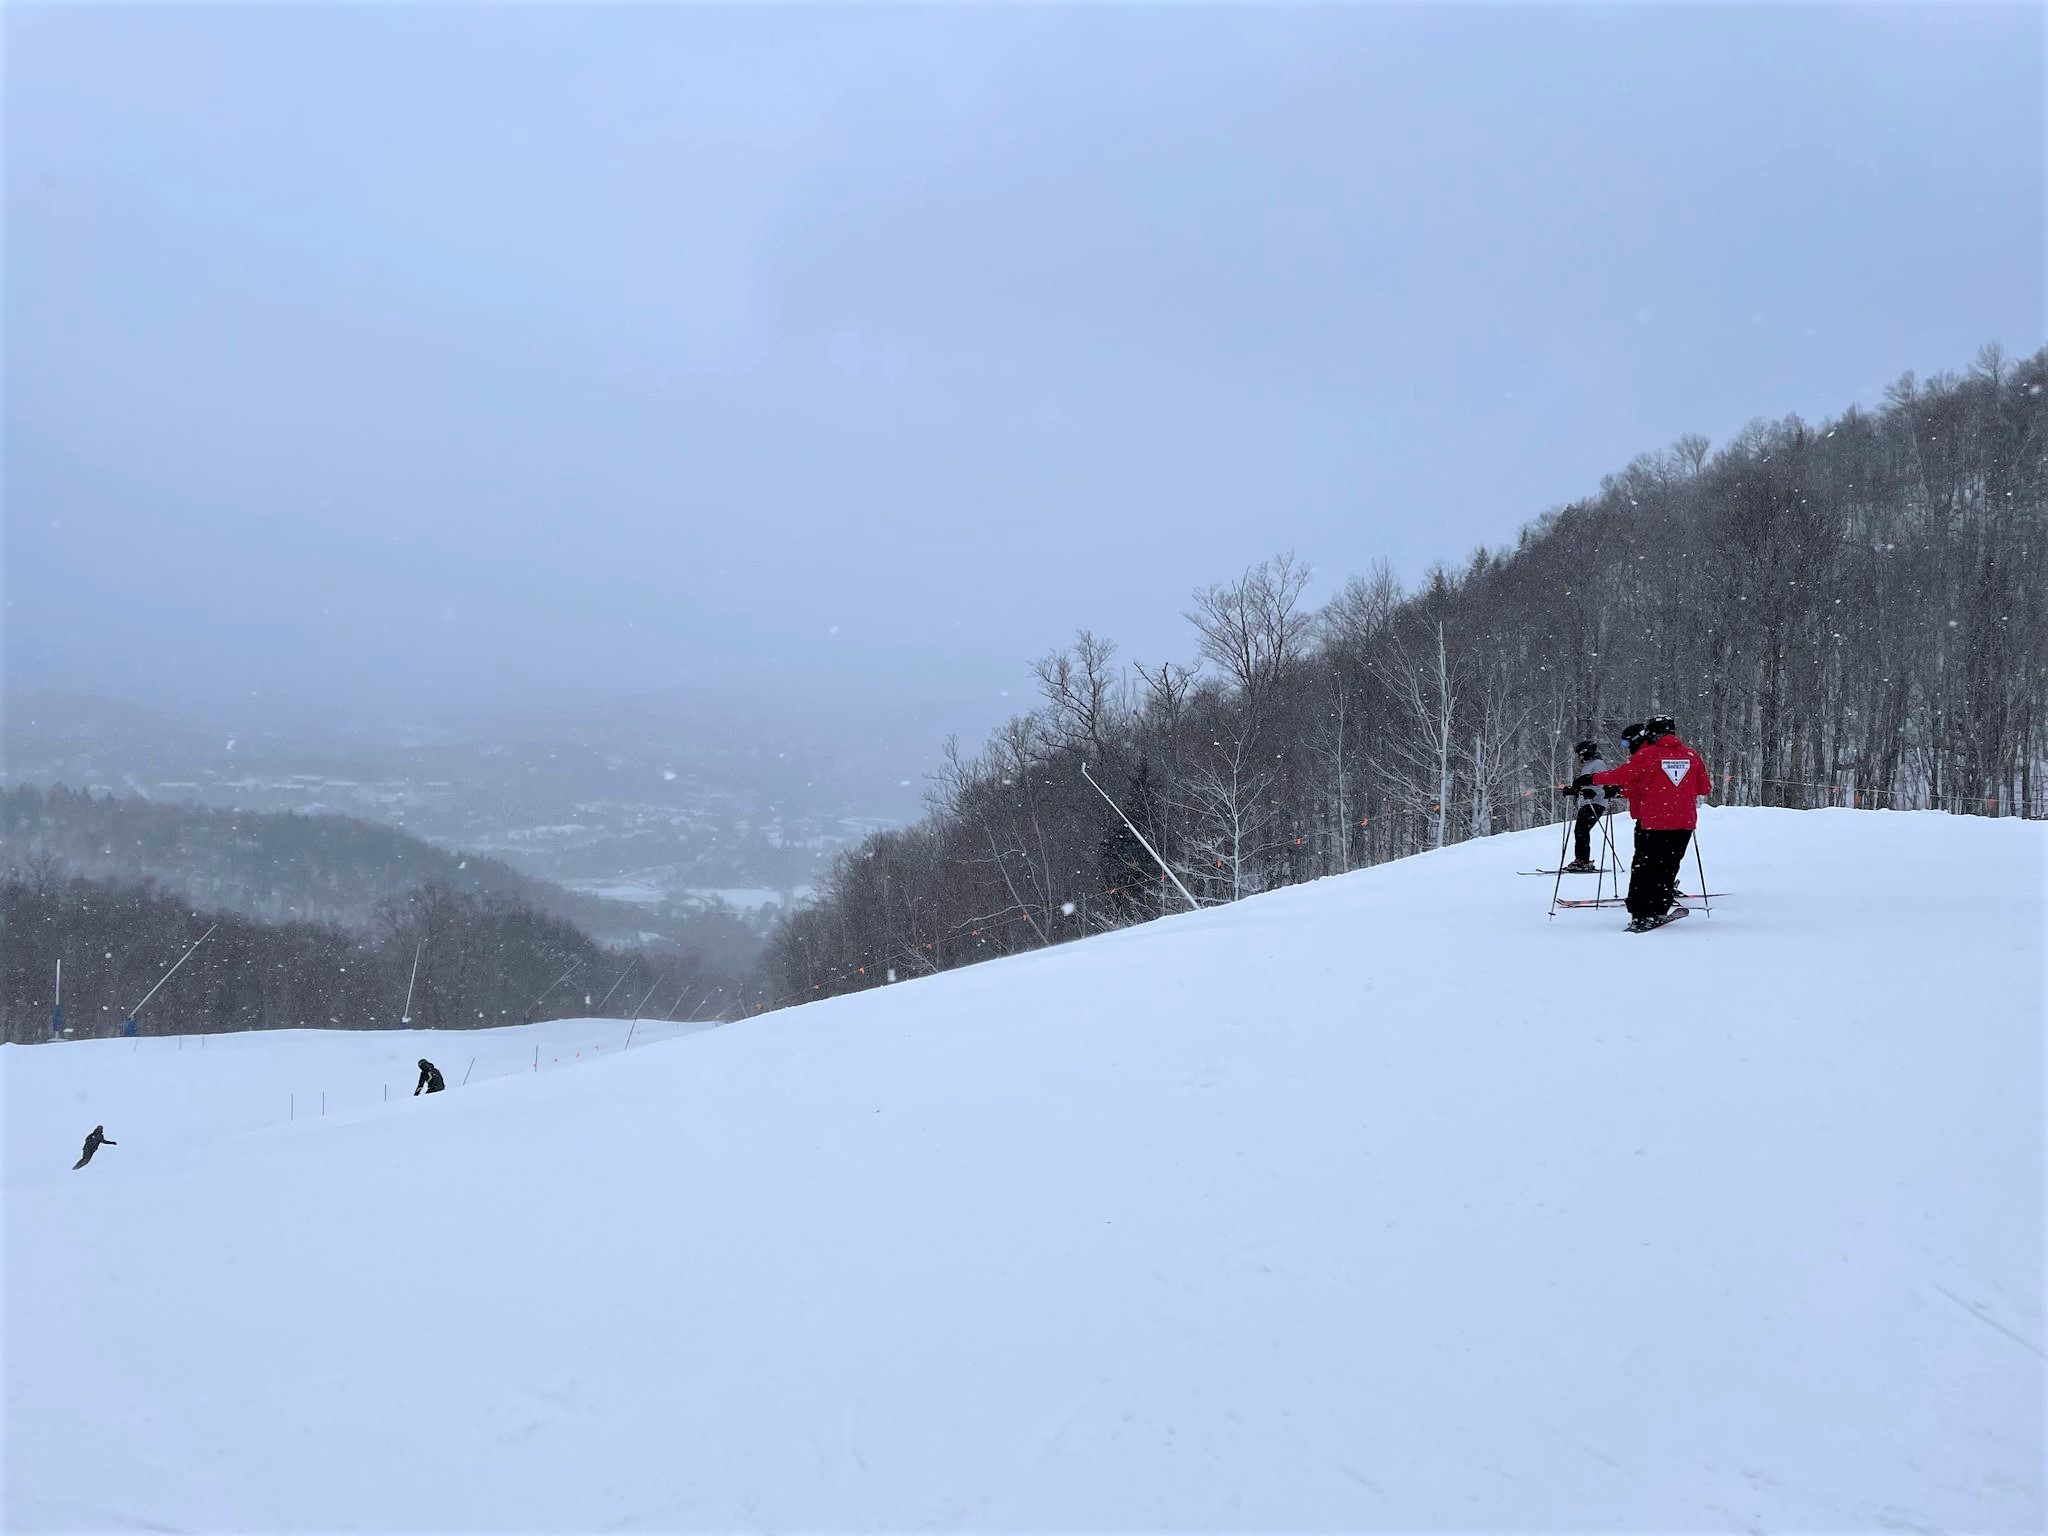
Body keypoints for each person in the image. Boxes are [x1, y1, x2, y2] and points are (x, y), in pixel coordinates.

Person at [1592, 713, 1712, 932]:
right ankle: (1658, 908)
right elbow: (1704, 788)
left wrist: (1592, 779)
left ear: (1652, 733)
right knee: (1668, 867)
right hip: (1683, 824)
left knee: (1645, 867)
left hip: (1654, 823)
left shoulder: (1648, 755)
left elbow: (1621, 775)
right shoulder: (1691, 755)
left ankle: (1640, 913)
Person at [1554, 738, 1614, 872]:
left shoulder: (1597, 764)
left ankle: (1583, 860)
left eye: (1579, 753)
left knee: (1582, 830)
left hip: (1596, 803)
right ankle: (1581, 859)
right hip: (1588, 802)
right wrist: (1572, 790)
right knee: (1580, 830)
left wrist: (1593, 791)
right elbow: (1585, 784)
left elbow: (1601, 782)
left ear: (1585, 752)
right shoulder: (1588, 765)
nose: (1578, 756)